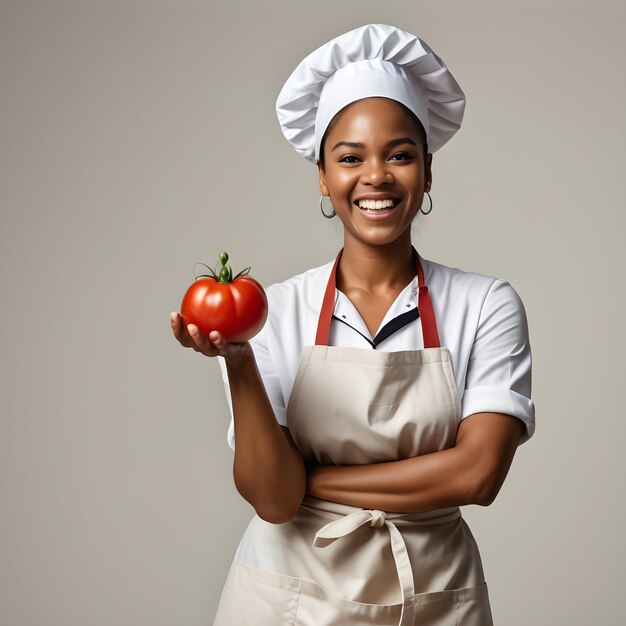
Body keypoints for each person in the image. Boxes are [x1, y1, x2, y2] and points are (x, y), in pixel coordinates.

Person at [171, 23, 535, 626]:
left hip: (433, 593)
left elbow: (478, 472)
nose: (376, 176)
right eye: (349, 158)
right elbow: (273, 498)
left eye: (399, 154)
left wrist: (312, 477)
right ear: (322, 177)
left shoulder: (486, 304)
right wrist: (237, 359)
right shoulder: (271, 312)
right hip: (285, 597)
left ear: (426, 170)